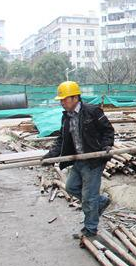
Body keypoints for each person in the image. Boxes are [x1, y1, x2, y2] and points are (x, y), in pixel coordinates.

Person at [43, 81, 115, 238]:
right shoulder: (66, 117)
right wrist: (50, 155)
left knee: (89, 197)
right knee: (71, 187)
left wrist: (107, 145)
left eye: (64, 99)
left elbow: (108, 130)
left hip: (94, 160)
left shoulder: (92, 111)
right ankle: (100, 202)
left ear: (75, 98)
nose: (62, 103)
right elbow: (62, 139)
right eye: (61, 100)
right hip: (78, 160)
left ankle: (90, 229)